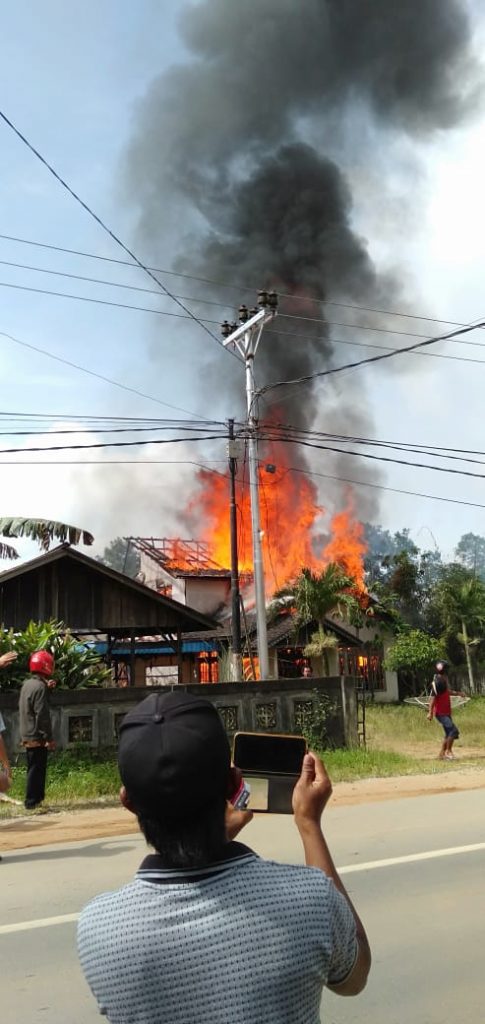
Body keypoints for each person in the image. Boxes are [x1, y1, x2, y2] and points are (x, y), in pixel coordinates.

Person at [78, 692, 371, 1024]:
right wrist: (309, 825)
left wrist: (209, 841)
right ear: (234, 782)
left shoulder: (99, 928)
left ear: (128, 801)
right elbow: (354, 975)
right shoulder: (311, 898)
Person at [18, 650, 56, 810]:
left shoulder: (27, 684)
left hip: (27, 732)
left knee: (35, 767)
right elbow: (42, 714)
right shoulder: (40, 687)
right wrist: (48, 737)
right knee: (36, 769)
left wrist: (48, 689)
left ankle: (37, 800)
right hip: (36, 734)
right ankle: (32, 801)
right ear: (47, 666)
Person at [428, 661, 465, 760]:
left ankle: (441, 754)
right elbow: (432, 699)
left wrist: (458, 693)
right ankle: (448, 752)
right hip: (441, 713)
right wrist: (430, 713)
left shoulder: (442, 682)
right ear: (444, 672)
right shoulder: (437, 683)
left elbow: (447, 692)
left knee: (449, 733)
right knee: (453, 731)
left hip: (446, 712)